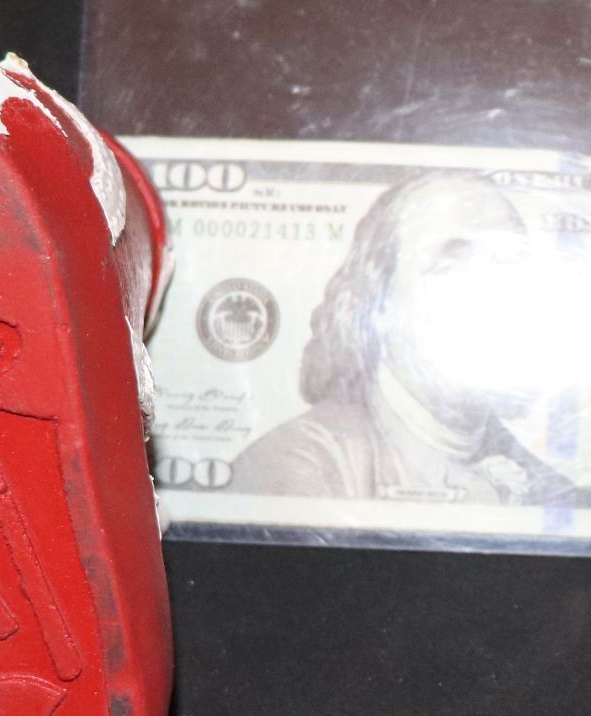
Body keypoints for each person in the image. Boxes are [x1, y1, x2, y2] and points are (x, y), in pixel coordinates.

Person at [231, 172, 572, 505]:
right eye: (450, 265)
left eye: (509, 262)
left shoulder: (557, 496)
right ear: (377, 304)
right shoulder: (297, 467)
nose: (492, 289)